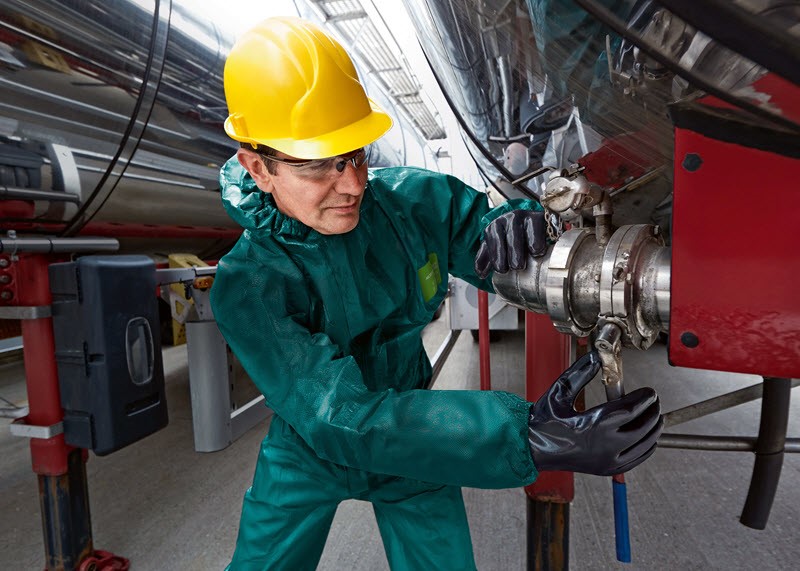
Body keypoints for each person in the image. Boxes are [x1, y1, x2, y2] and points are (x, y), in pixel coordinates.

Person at [210, 16, 663, 571]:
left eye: (355, 154)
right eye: (321, 165)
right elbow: (336, 415)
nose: (353, 183)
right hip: (313, 444)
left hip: (420, 440)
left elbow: (490, 238)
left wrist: (524, 224)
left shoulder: (412, 206)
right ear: (259, 167)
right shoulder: (247, 285)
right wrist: (523, 436)